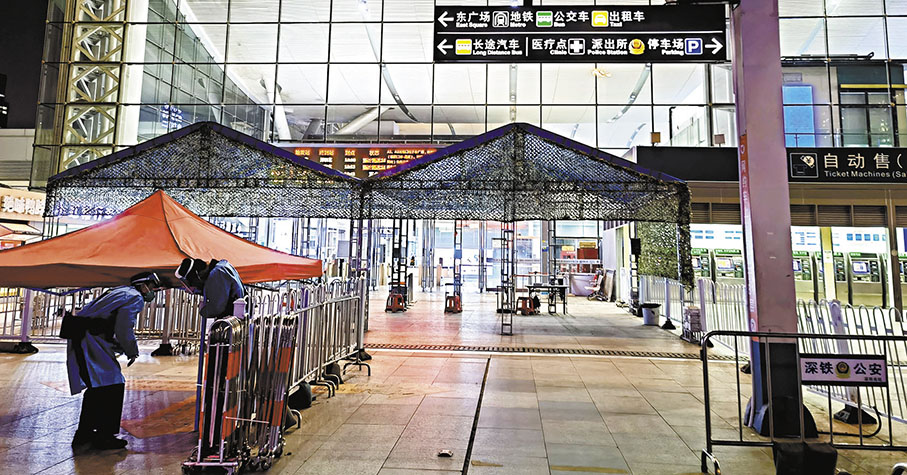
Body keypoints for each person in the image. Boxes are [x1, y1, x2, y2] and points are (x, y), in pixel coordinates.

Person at [67, 272, 161, 450]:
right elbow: (124, 327)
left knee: (99, 386)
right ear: (143, 286)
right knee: (111, 385)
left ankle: (85, 434)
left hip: (87, 337)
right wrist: (131, 350)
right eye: (152, 287)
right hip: (90, 340)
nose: (153, 291)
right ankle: (104, 436)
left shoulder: (121, 291)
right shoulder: (135, 298)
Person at [175, 257, 244, 319]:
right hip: (237, 313)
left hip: (232, 317)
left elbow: (217, 308)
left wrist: (203, 310)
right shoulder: (221, 266)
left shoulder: (216, 274)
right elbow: (216, 290)